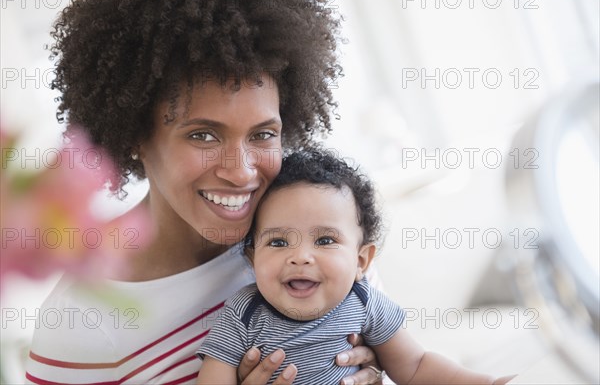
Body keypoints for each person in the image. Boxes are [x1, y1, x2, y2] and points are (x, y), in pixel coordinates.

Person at [25, 0, 382, 384]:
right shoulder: (81, 320)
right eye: (203, 136)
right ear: (133, 136)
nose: (242, 172)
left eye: (262, 135)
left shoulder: (321, 232)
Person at [196, 148, 515, 385]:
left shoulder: (363, 302)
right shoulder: (243, 314)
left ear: (361, 261)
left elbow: (416, 366)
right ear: (253, 259)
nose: (301, 257)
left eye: (324, 241)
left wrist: (485, 383)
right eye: (278, 242)